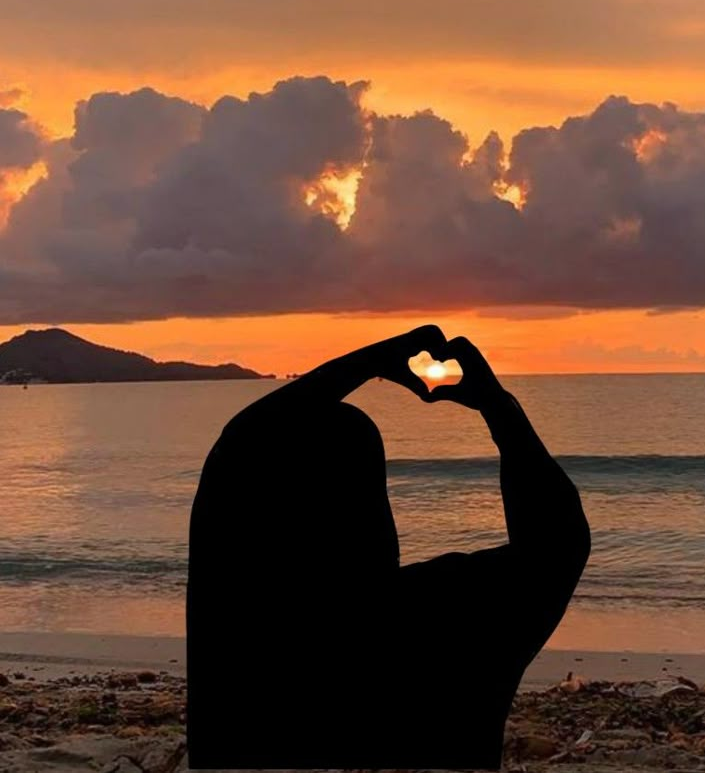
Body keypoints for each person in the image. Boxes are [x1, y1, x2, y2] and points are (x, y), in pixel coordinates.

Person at [186, 324, 591, 770]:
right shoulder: (448, 622)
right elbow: (561, 542)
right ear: (377, 511)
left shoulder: (234, 630)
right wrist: (497, 406)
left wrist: (368, 362)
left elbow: (238, 447)